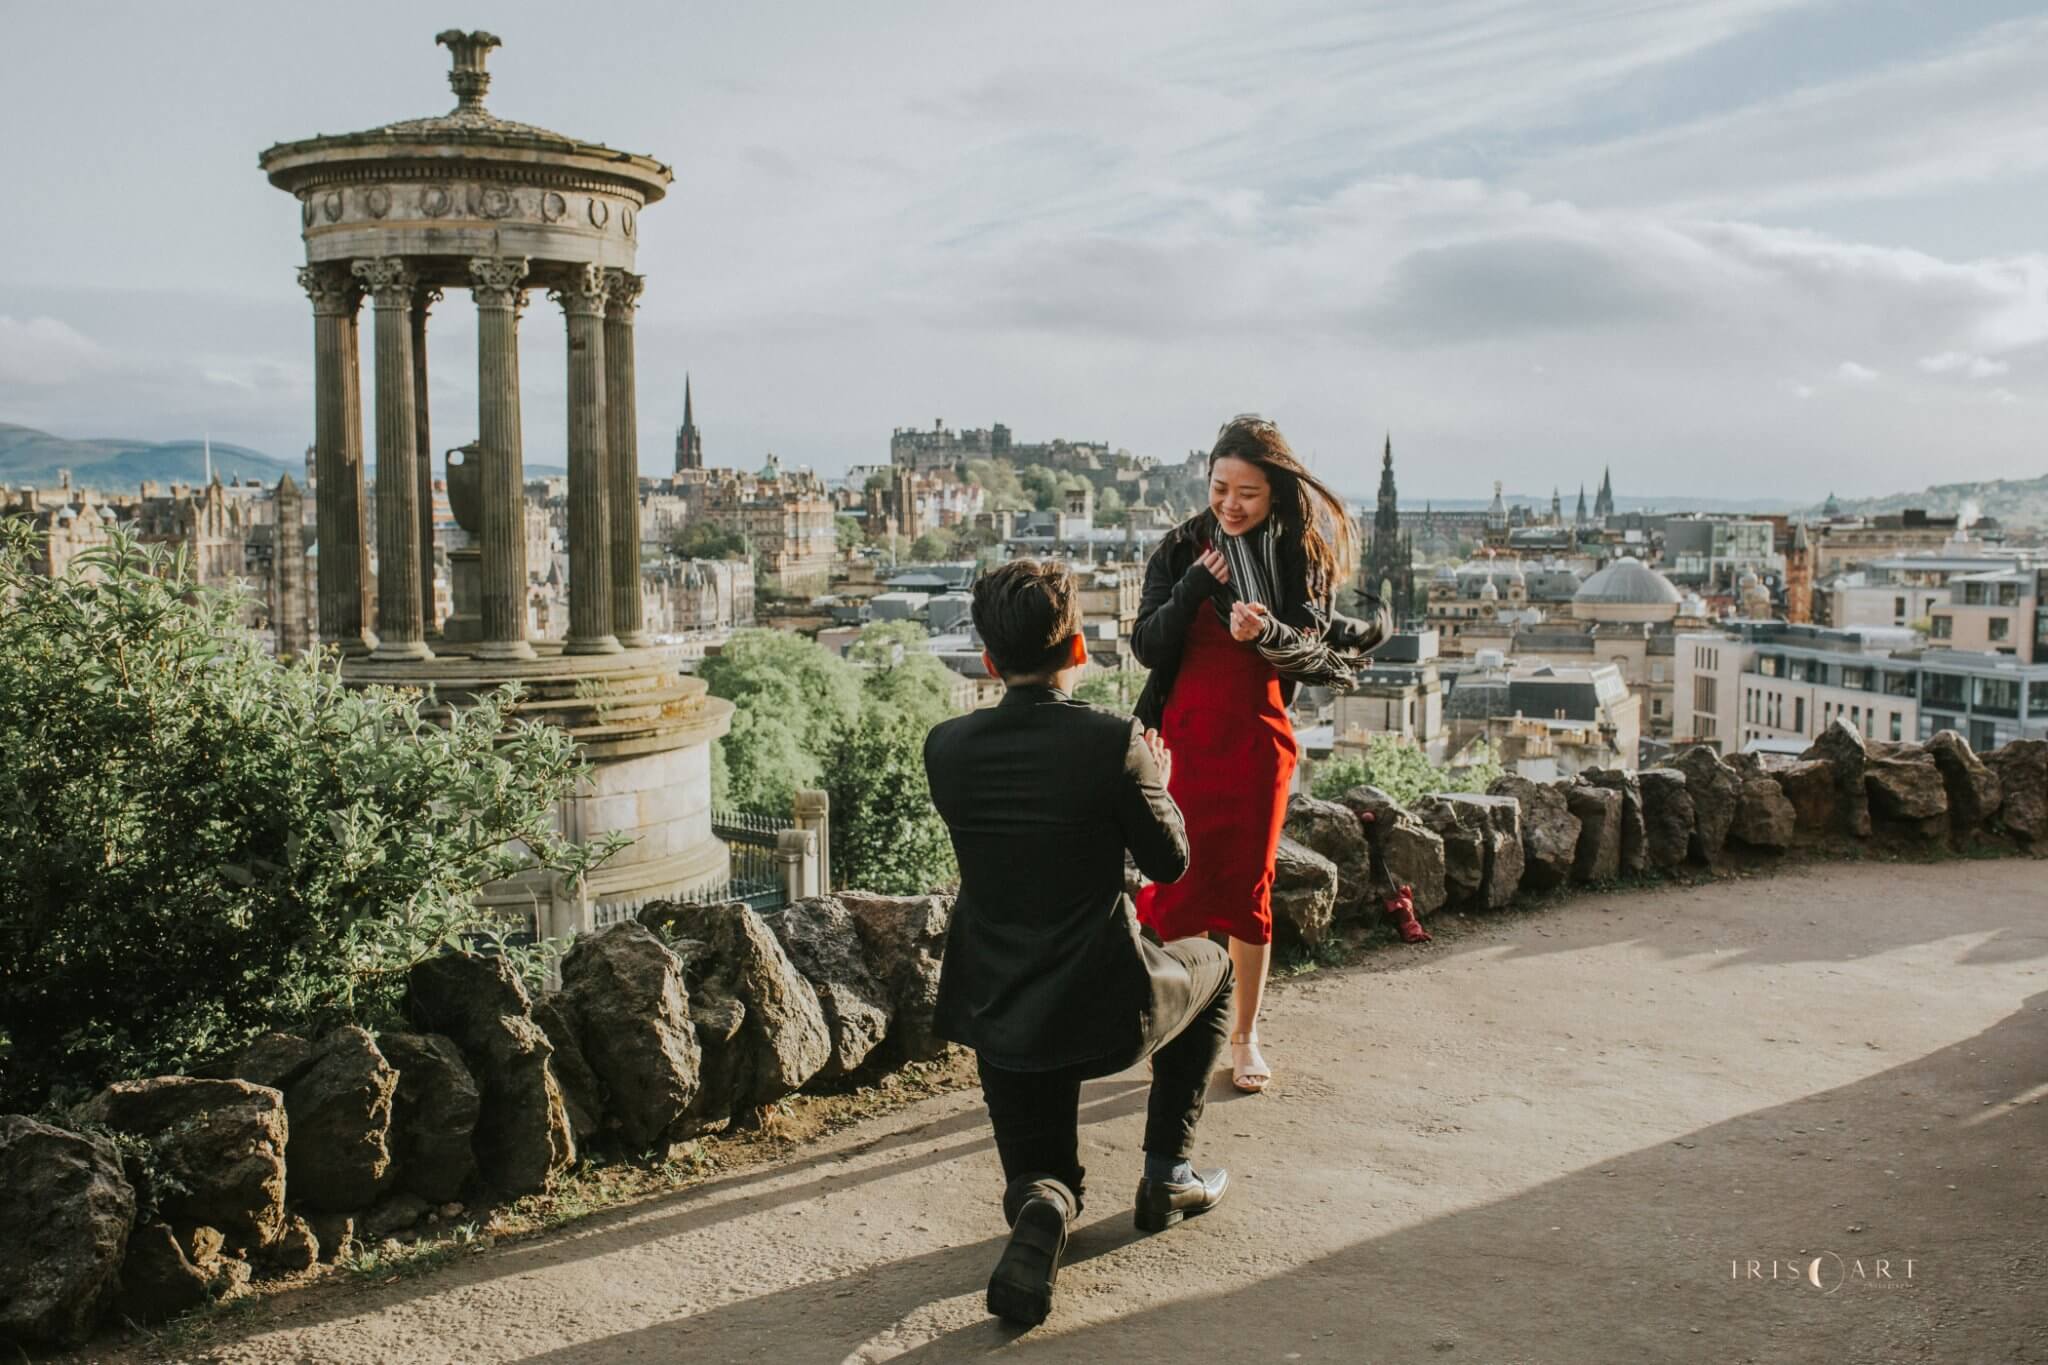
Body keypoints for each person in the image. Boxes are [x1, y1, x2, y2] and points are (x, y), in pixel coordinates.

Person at [924, 559, 1238, 1327]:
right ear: (1079, 649)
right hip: (1107, 1007)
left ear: (991, 662)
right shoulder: (1115, 742)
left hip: (1000, 1011)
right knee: (1219, 967)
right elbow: (1170, 863)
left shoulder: (947, 748)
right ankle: (1168, 1171)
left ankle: (1043, 1206)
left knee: (1041, 1172)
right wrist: (1155, 778)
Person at [1132, 415, 1388, 1094]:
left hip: (1257, 737)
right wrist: (1192, 588)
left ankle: (1245, 1033)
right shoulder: (1180, 546)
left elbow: (1319, 654)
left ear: (1274, 491)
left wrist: (1268, 629)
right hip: (1182, 736)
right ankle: (1180, 1028)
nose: (1231, 504)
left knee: (1248, 891)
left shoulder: (1298, 554)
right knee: (1179, 887)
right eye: (1220, 487)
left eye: (1247, 491)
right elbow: (1147, 646)